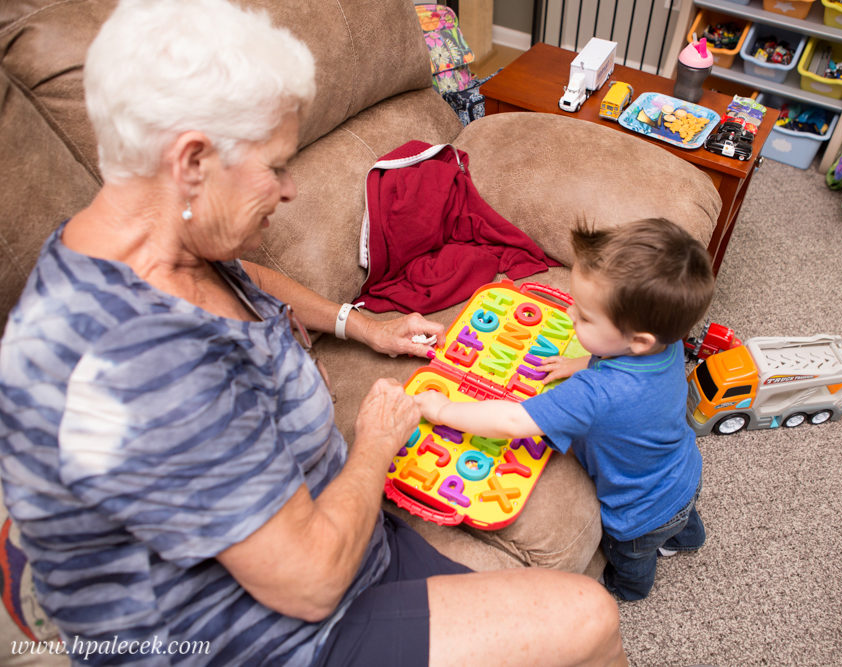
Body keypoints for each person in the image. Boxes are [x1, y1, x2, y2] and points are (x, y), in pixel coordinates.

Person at [0, 1, 626, 665]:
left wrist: (357, 323)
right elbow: (312, 581)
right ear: (190, 162)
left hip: (339, 536)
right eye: (275, 165)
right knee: (588, 615)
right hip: (266, 632)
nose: (291, 189)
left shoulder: (145, 236)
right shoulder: (144, 367)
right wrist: (376, 442)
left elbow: (243, 272)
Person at [416, 217, 716, 601]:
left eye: (586, 317)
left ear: (639, 340)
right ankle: (690, 539)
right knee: (683, 517)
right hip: (685, 471)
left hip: (640, 512)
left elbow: (512, 419)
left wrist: (442, 410)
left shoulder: (595, 394)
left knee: (630, 559)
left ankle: (629, 589)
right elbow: (623, 367)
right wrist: (579, 363)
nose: (572, 316)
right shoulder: (669, 343)